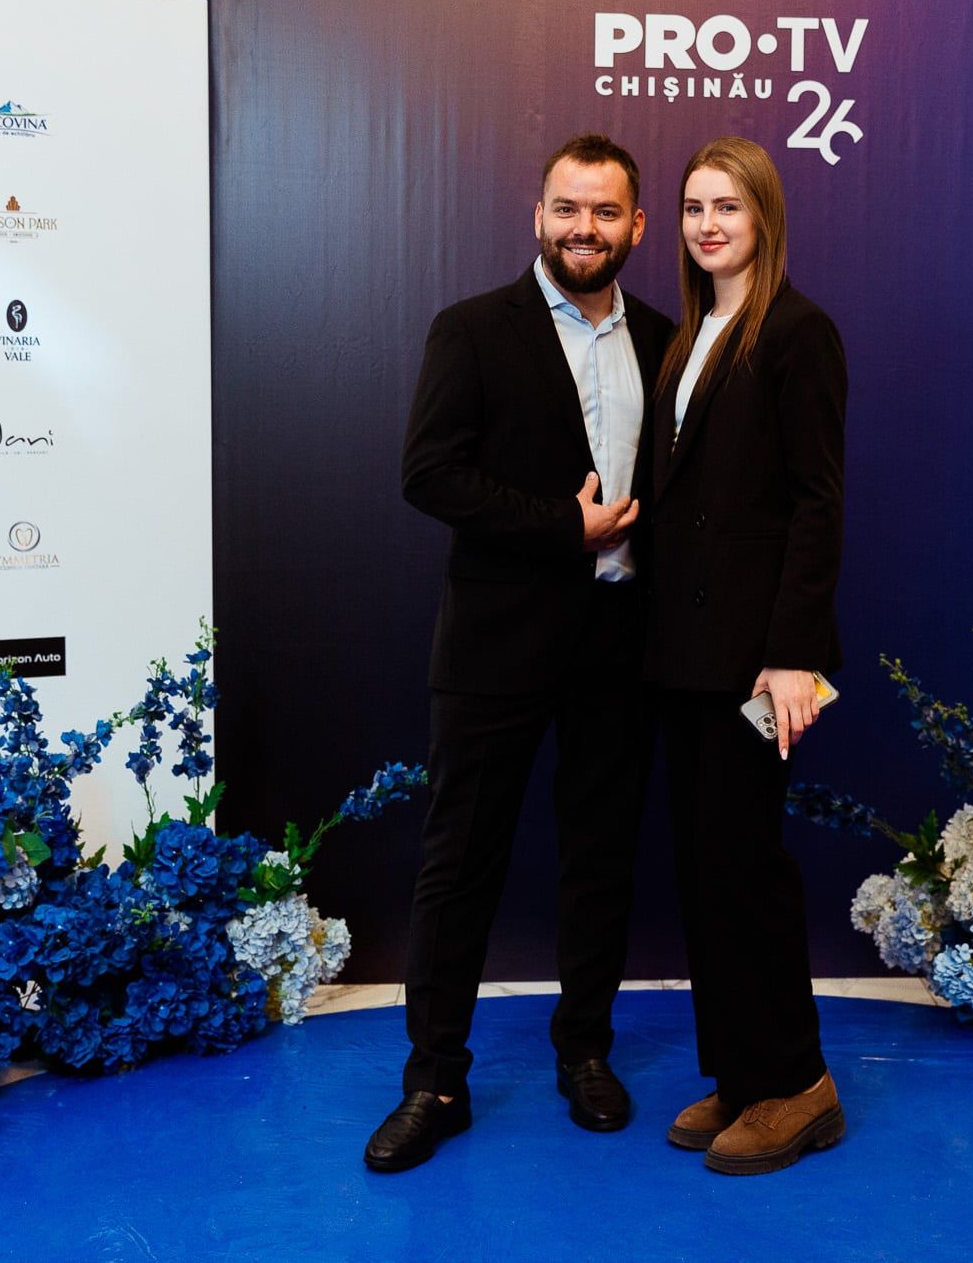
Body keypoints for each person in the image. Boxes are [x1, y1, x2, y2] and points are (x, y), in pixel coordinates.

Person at [366, 134, 674, 1172]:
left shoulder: (667, 341)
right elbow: (428, 473)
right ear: (537, 215)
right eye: (567, 209)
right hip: (496, 643)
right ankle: (434, 1081)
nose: (584, 229)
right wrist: (559, 526)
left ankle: (584, 1051)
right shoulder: (470, 329)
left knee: (601, 858)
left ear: (636, 226)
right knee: (459, 863)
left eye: (605, 212)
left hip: (620, 644)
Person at [644, 136, 847, 1175]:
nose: (708, 224)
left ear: (763, 216)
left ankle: (798, 1085)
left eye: (727, 205)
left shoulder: (799, 332)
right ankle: (738, 1071)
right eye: (693, 207)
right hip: (684, 655)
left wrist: (791, 656)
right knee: (706, 868)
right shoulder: (690, 335)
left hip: (760, 663)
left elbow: (816, 505)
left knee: (748, 868)